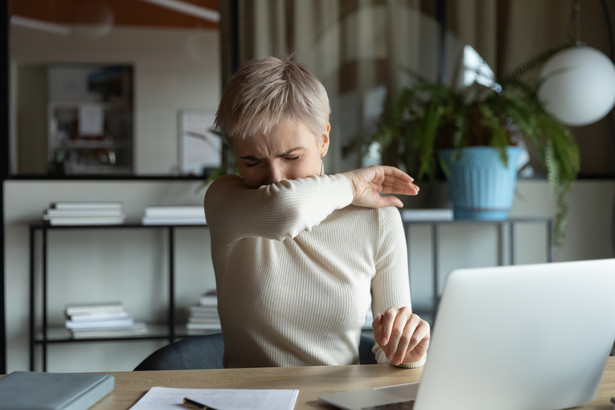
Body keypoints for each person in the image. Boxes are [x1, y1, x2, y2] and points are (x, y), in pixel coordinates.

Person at [204, 56, 430, 368]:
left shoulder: (377, 218)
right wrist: (351, 184)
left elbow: (393, 354)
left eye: (291, 156)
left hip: (339, 400)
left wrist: (409, 351)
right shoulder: (225, 200)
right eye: (251, 161)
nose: (275, 178)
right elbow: (286, 209)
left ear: (323, 139)